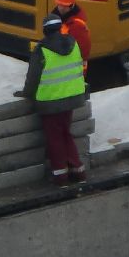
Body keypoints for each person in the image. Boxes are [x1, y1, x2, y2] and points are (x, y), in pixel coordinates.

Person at [16, 15, 89, 185]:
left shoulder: (42, 49)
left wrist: (26, 93)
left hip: (50, 101)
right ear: (59, 28)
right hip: (72, 97)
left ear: (45, 30)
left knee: (54, 137)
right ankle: (78, 171)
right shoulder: (73, 43)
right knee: (66, 133)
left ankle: (61, 176)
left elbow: (33, 78)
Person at [53, 0, 92, 79]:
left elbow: (83, 51)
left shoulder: (77, 25)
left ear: (72, 6)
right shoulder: (56, 18)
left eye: (64, 6)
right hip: (62, 68)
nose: (61, 8)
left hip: (72, 72)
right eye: (60, 5)